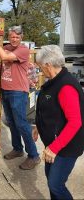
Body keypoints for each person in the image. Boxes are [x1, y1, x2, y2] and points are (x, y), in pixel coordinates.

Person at [33, 45, 84, 199]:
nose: (40, 69)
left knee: (56, 184)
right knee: (51, 180)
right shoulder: (54, 81)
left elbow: (75, 122)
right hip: (54, 143)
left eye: (40, 66)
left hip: (66, 146)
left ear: (48, 65)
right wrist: (38, 126)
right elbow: (49, 110)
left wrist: (54, 148)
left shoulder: (65, 86)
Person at [0, 25, 40, 170]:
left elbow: (4, 57)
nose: (14, 39)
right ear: (9, 36)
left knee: (22, 124)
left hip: (18, 92)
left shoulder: (23, 50)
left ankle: (33, 155)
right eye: (12, 36)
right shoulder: (7, 47)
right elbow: (2, 53)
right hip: (6, 90)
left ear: (21, 37)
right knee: (11, 122)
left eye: (17, 37)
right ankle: (18, 149)